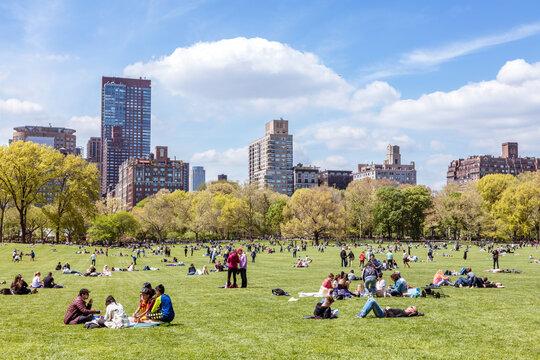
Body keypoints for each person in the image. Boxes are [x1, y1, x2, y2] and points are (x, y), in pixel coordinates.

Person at [358, 298, 423, 318]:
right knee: (370, 299)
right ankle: (362, 313)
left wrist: (389, 309)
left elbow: (393, 316)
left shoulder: (404, 314)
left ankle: (362, 315)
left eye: (411, 307)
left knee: (372, 301)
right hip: (383, 311)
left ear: (411, 311)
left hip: (383, 314)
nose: (409, 306)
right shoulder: (403, 312)